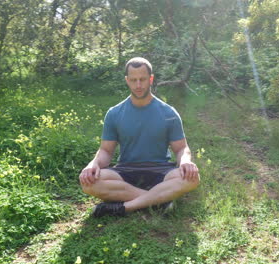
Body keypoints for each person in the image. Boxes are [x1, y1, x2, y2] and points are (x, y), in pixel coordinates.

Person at [79, 57, 200, 217]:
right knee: (88, 183)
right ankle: (160, 200)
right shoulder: (114, 113)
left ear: (151, 79)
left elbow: (181, 148)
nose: (138, 85)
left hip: (161, 171)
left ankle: (125, 207)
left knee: (192, 178)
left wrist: (185, 161)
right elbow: (106, 151)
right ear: (127, 80)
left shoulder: (169, 113)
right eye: (133, 80)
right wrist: (92, 164)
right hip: (125, 170)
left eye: (142, 79)